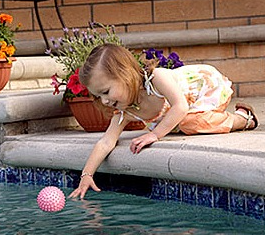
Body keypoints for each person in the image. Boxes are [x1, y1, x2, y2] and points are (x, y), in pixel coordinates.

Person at [68, 43, 259, 199]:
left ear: (125, 74)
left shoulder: (156, 79)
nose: (105, 101)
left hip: (205, 88)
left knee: (190, 123)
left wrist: (155, 134)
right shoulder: (124, 111)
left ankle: (242, 118)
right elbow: (106, 141)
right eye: (98, 96)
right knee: (184, 124)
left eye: (106, 92)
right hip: (186, 107)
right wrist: (87, 174)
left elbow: (180, 106)